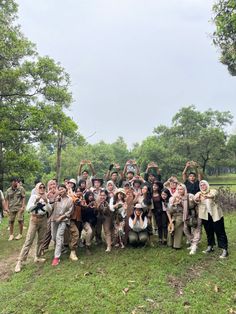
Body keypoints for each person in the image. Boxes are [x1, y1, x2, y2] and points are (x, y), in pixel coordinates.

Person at [15, 183, 52, 273]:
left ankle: (37, 256)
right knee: (29, 241)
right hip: (34, 219)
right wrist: (36, 201)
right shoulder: (33, 197)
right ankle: (20, 261)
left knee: (41, 240)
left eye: (43, 187)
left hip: (43, 219)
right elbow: (28, 209)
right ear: (36, 188)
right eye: (40, 187)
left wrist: (46, 202)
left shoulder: (46, 197)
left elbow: (49, 209)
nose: (42, 189)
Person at [194, 180, 228, 258]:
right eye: (201, 185)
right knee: (209, 231)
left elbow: (214, 194)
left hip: (216, 215)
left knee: (220, 232)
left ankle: (224, 249)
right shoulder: (199, 193)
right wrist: (197, 199)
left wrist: (207, 196)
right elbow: (195, 199)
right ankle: (210, 246)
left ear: (207, 185)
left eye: (204, 185)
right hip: (205, 215)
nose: (203, 186)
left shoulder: (212, 190)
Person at [51, 184, 73, 266]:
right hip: (54, 219)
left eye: (62, 189)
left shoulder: (69, 199)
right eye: (59, 189)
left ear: (66, 189)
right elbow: (50, 208)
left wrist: (62, 217)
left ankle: (56, 257)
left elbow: (70, 211)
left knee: (59, 236)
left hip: (63, 220)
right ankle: (62, 248)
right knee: (53, 237)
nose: (61, 190)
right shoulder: (56, 198)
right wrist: (55, 200)